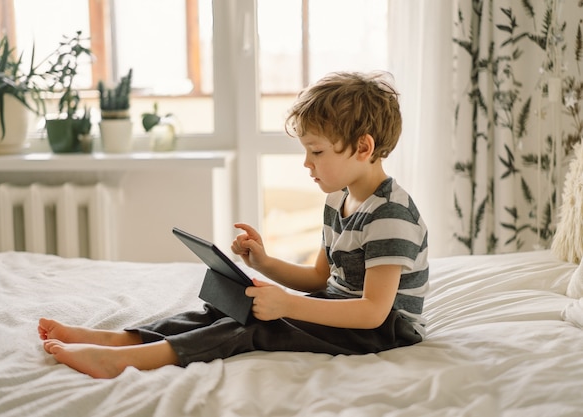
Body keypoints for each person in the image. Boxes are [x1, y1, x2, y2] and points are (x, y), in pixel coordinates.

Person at [38, 71, 429, 379]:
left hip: (384, 331)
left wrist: (289, 306)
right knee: (230, 310)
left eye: (316, 151)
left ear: (363, 147)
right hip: (343, 312)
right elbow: (317, 278)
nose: (307, 163)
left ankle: (126, 361)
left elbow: (373, 313)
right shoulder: (338, 199)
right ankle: (118, 339)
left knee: (253, 328)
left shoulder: (390, 215)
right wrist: (263, 264)